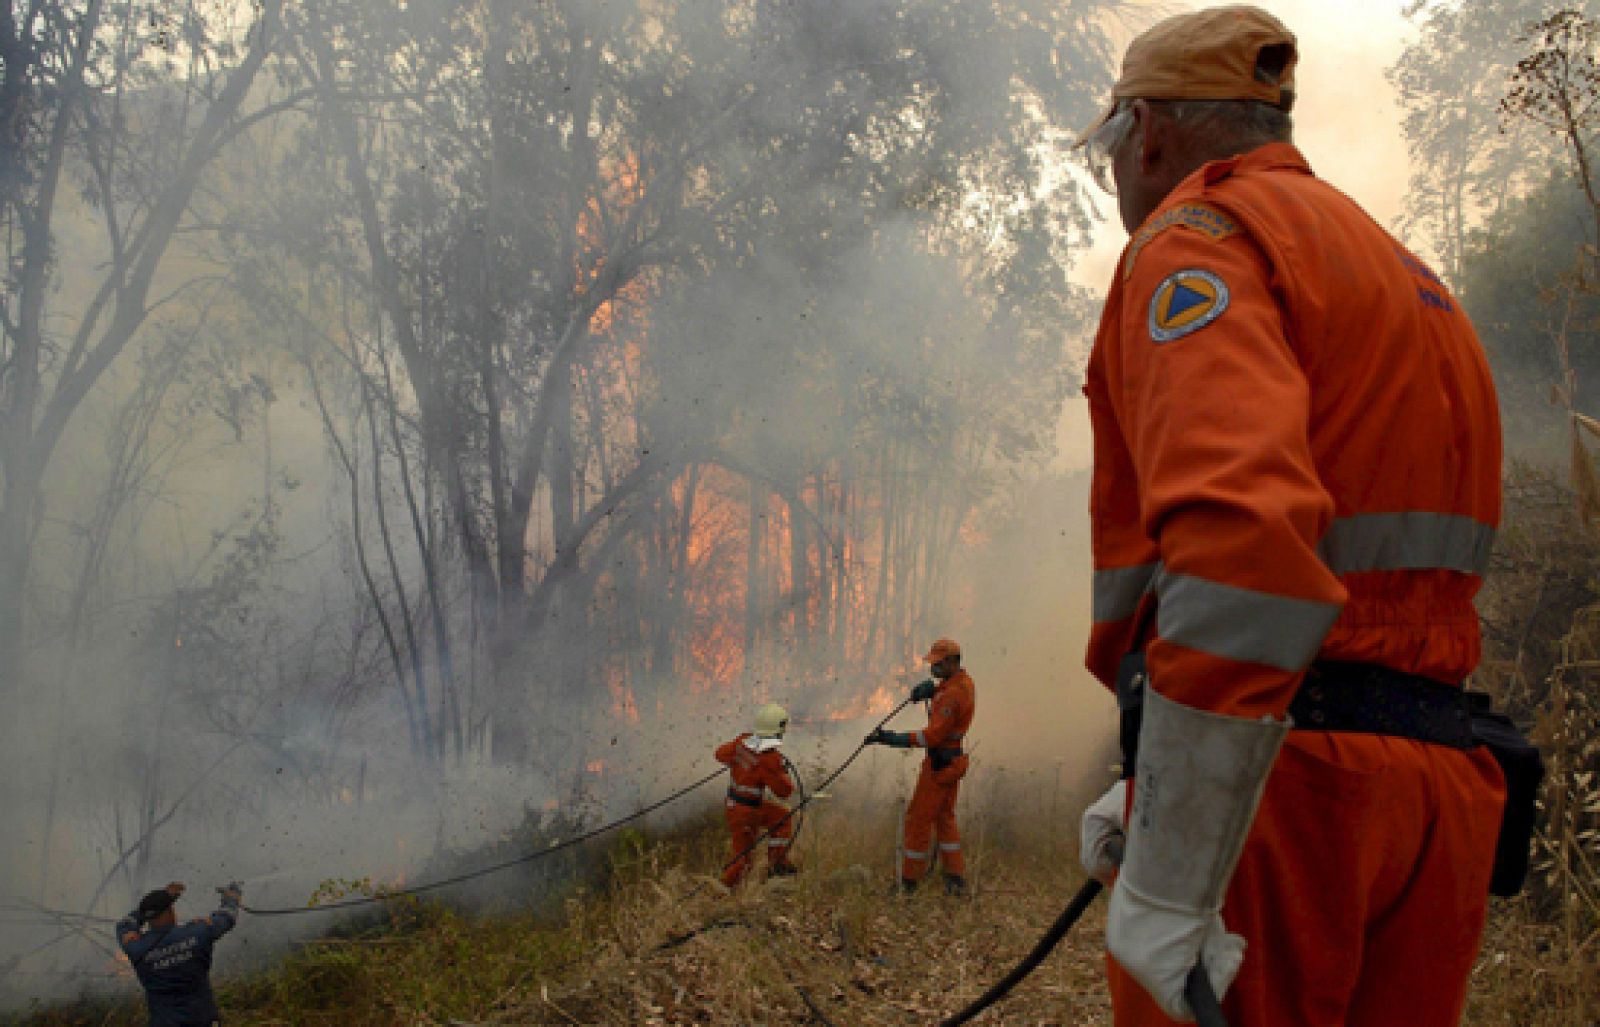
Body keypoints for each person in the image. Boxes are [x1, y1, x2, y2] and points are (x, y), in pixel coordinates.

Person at [1072, 7, 1507, 1025]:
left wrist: (1178, 864)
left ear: (1147, 130)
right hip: (1434, 796)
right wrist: (1156, 769)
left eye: (1112, 144)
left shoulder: (1203, 241)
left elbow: (1242, 556)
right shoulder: (1400, 271)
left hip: (1291, 800)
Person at [866, 637, 975, 896]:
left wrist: (892, 739)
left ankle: (909, 882)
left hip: (939, 766)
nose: (933, 669)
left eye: (937, 664)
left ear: (951, 662)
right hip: (952, 761)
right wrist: (933, 691)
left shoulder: (953, 695)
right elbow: (947, 697)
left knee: (918, 818)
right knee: (944, 818)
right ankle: (956, 879)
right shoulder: (962, 683)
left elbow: (932, 736)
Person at [116, 880, 243, 1026]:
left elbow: (124, 924)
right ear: (170, 910)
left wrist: (153, 905)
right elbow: (227, 917)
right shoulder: (197, 933)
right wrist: (232, 898)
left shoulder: (135, 946)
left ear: (147, 919)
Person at [714, 702, 799, 887]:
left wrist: (740, 755)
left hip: (737, 805)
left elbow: (719, 754)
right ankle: (720, 894)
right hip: (746, 813)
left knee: (782, 816)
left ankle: (778, 863)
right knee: (742, 861)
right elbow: (784, 792)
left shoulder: (742, 742)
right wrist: (782, 771)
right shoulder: (769, 758)